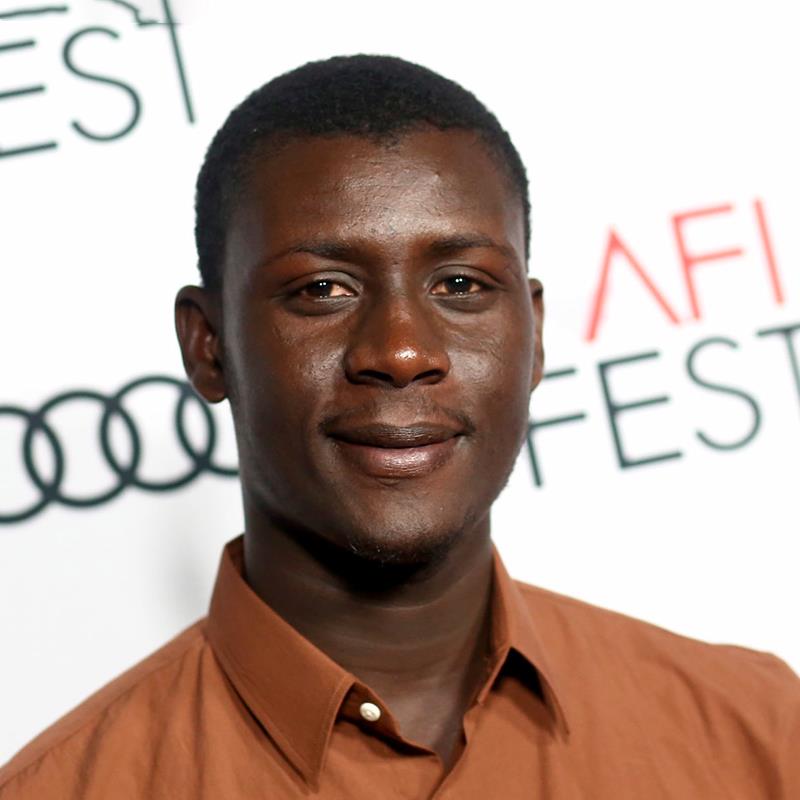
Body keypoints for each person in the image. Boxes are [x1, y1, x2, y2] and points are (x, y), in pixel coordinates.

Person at [1, 54, 798, 799]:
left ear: (534, 335)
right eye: (323, 289)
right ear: (208, 346)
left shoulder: (760, 733)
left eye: (461, 284)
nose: (402, 351)